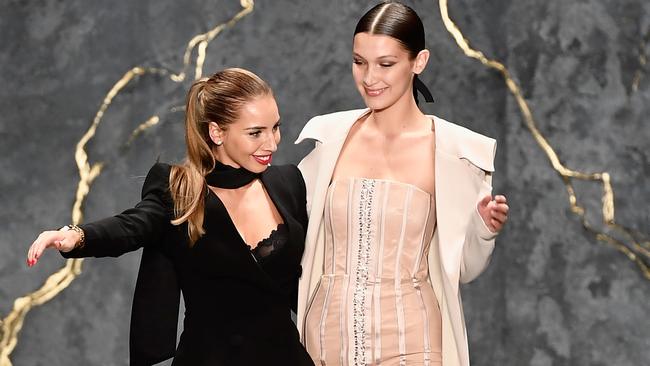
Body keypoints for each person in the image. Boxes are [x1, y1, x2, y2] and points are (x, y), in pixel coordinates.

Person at [26, 68, 314, 366]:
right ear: (217, 132)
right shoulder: (180, 190)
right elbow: (131, 226)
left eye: (275, 127)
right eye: (256, 132)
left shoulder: (289, 182)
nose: (272, 143)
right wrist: (76, 236)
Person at [294, 2, 509, 365]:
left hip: (414, 340)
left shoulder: (455, 153)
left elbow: (465, 268)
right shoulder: (328, 140)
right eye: (359, 61)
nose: (369, 77)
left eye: (386, 64)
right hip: (325, 340)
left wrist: (482, 230)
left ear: (419, 61)